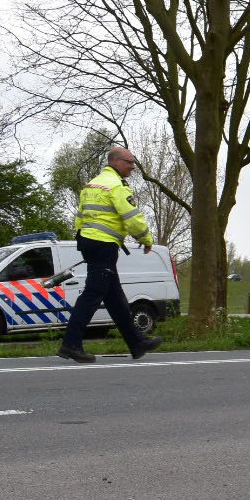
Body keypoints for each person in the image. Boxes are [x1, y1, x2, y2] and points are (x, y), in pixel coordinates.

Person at [58, 145, 162, 363]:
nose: (133, 167)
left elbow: (80, 217)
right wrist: (146, 239)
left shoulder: (92, 184)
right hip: (104, 245)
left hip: (90, 242)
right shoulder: (116, 186)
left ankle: (137, 343)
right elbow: (132, 217)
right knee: (93, 294)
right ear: (115, 161)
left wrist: (84, 242)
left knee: (115, 298)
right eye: (129, 162)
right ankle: (71, 344)